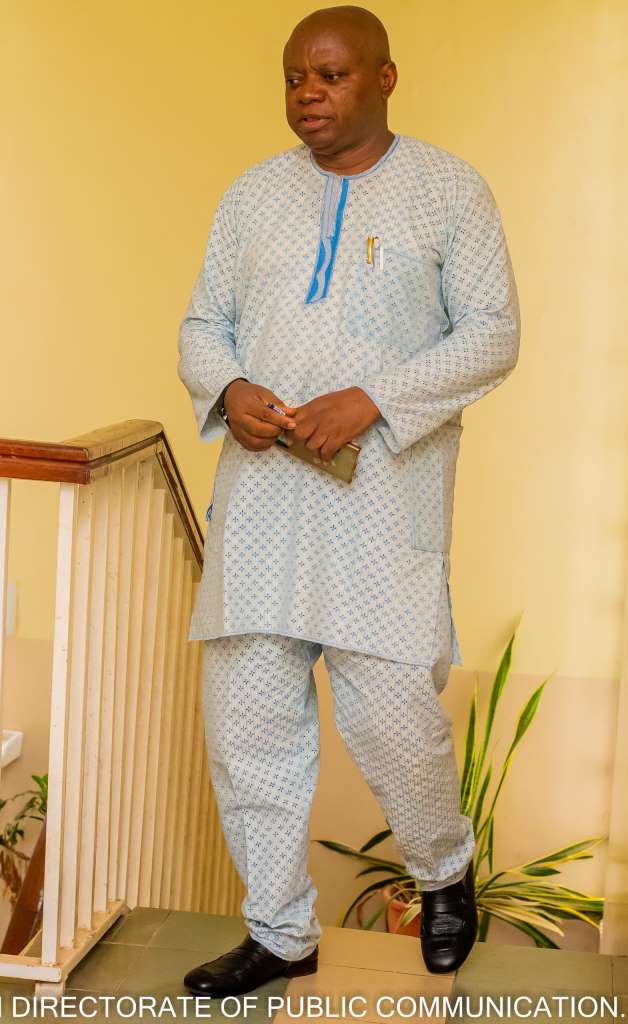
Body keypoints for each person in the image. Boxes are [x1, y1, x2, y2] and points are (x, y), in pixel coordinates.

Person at [177, 4, 520, 997]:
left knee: (394, 719)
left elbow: (493, 333)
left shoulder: (448, 190)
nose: (307, 95)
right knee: (248, 727)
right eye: (294, 78)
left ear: (385, 78)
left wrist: (374, 398)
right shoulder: (252, 196)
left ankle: (444, 869)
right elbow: (203, 323)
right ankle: (280, 931)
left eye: (329, 76)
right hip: (263, 503)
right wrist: (229, 387)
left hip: (381, 499)